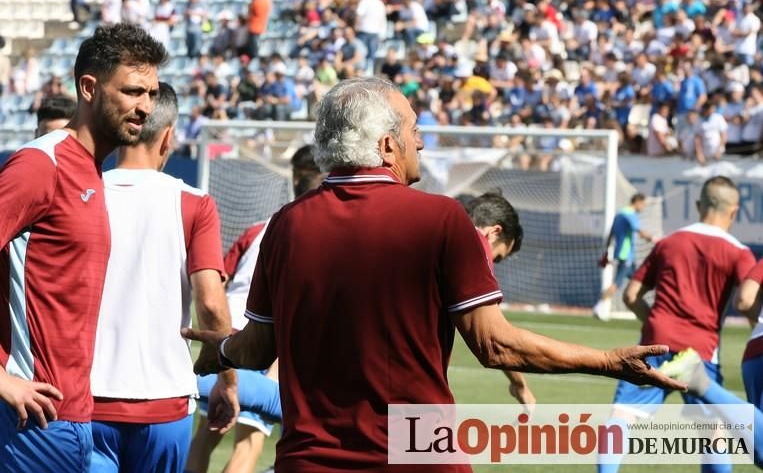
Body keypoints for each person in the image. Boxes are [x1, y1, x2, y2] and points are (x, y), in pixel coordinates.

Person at [183, 77, 685, 473]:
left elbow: (255, 349)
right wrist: (609, 361)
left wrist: (220, 351)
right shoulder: (442, 219)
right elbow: (497, 346)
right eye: (413, 128)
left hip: (310, 460)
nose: (420, 142)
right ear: (386, 145)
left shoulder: (286, 225)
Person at [0, 23, 167, 471]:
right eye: (133, 92)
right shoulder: (41, 165)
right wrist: (1, 381)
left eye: (151, 94)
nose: (144, 107)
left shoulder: (92, 171)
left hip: (73, 414)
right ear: (89, 87)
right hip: (26, 419)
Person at [88, 82, 238, 473]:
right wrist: (227, 377)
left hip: (85, 401)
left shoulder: (82, 194)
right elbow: (210, 302)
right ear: (168, 135)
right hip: (162, 402)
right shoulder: (192, 202)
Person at [598, 176, 756, 473]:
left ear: (699, 205)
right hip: (700, 352)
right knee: (713, 431)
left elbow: (631, 295)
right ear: (733, 211)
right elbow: (750, 301)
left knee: (623, 415)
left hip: (654, 343)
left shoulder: (669, 242)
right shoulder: (738, 252)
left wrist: (656, 325)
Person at [186, 145, 323, 473]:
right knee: (249, 443)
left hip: (226, 340)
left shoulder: (259, 228)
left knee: (206, 436)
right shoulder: (312, 232)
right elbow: (291, 303)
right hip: (261, 344)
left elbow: (220, 280)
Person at [466, 191, 535, 409]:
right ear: (494, 232)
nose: (492, 263)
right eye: (496, 257)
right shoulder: (472, 251)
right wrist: (521, 385)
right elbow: (495, 341)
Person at [593, 193, 655, 321]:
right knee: (618, 283)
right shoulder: (630, 214)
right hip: (626, 255)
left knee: (638, 281)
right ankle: (599, 306)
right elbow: (639, 230)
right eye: (642, 204)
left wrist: (606, 251)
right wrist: (654, 239)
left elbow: (611, 233)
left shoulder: (619, 214)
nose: (643, 207)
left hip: (624, 255)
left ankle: (643, 310)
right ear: (637, 201)